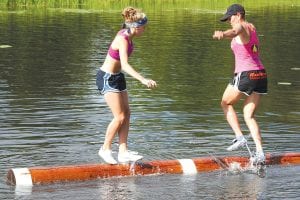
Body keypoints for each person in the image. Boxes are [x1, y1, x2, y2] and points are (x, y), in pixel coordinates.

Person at [96, 7, 157, 164]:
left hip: (117, 78)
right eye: (144, 27)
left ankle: (123, 152)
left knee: (127, 114)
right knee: (119, 116)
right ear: (136, 27)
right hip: (107, 78)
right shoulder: (123, 39)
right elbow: (124, 64)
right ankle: (105, 149)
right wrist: (142, 79)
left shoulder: (128, 35)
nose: (145, 30)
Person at [212, 4, 267, 164]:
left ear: (238, 14)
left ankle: (239, 137)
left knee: (225, 103)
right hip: (261, 74)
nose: (229, 20)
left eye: (230, 17)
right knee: (249, 115)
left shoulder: (242, 26)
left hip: (246, 74)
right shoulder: (251, 26)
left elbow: (235, 31)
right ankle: (260, 153)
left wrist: (223, 34)